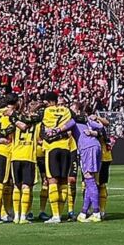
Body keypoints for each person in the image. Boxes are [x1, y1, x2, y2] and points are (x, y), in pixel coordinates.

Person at [39, 92, 77, 224]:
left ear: (48, 102)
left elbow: (30, 120)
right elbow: (76, 118)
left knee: (52, 181)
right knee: (63, 182)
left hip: (52, 148)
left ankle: (55, 215)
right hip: (66, 148)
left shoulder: (45, 111)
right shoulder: (67, 110)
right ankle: (60, 214)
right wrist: (62, 129)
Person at [75, 111, 106, 223]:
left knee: (89, 179)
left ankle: (96, 213)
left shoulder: (73, 121)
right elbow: (101, 126)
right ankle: (83, 213)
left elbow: (66, 130)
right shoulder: (87, 120)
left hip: (87, 148)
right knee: (90, 180)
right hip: (96, 146)